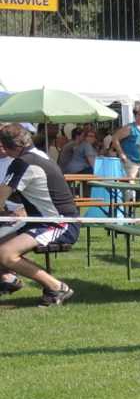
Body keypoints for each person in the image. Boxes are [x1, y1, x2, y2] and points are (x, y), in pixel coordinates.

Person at [0, 124, 79, 306]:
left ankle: (57, 287)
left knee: (6, 253)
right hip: (42, 220)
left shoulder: (22, 162)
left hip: (59, 224)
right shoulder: (38, 155)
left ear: (9, 147)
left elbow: (0, 197)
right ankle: (8, 280)